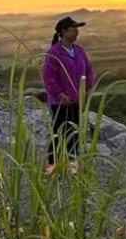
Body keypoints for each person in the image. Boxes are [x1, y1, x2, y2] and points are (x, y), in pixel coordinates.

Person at [41, 16, 95, 174]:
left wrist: (88, 86)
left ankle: (72, 166)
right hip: (60, 103)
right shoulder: (54, 53)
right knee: (58, 134)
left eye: (77, 30)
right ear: (63, 32)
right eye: (73, 29)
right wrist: (59, 94)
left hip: (77, 100)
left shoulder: (79, 50)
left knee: (75, 134)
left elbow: (89, 70)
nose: (76, 32)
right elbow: (49, 78)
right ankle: (52, 166)